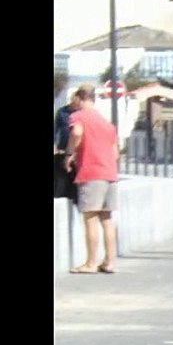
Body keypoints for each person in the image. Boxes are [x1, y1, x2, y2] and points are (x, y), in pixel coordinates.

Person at [65, 84, 122, 275]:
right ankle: (109, 262)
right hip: (110, 173)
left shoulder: (78, 116)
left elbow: (77, 133)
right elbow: (115, 153)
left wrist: (70, 154)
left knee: (90, 218)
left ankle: (90, 263)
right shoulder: (106, 123)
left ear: (80, 98)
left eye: (74, 99)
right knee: (107, 218)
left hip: (91, 172)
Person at [54, 90, 81, 201]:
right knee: (61, 173)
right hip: (63, 148)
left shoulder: (81, 114)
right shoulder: (62, 112)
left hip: (76, 149)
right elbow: (56, 129)